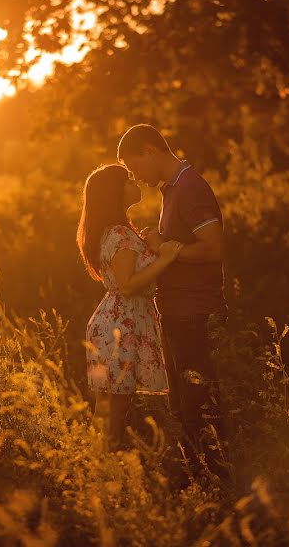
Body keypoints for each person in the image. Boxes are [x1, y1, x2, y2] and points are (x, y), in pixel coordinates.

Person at [116, 124, 228, 477]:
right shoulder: (173, 190)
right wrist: (161, 243)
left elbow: (213, 249)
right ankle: (199, 480)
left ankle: (215, 482)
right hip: (178, 312)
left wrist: (163, 248)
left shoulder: (191, 188)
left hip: (193, 313)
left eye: (135, 168)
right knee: (184, 407)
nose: (137, 178)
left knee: (199, 406)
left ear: (150, 151)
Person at [76, 163, 184, 450]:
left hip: (117, 320)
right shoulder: (120, 234)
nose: (134, 181)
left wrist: (151, 243)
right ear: (115, 193)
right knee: (113, 410)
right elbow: (126, 284)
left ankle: (98, 466)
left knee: (109, 407)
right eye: (127, 180)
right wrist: (165, 259)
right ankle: (101, 471)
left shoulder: (119, 231)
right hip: (119, 326)